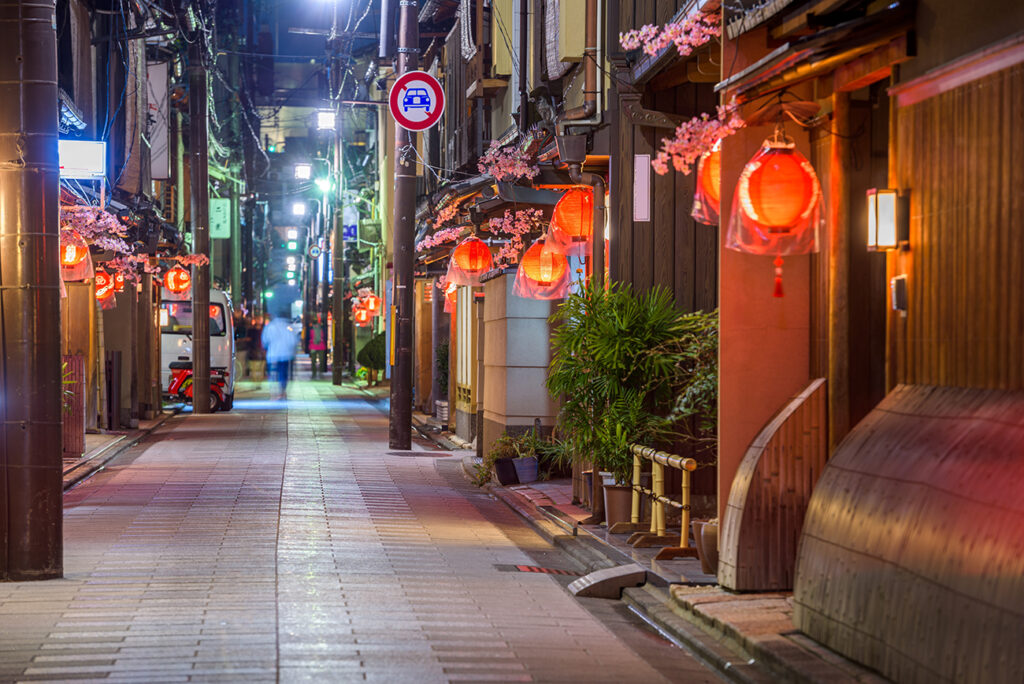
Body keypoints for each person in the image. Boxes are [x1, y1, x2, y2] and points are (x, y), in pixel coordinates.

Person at [261, 312, 298, 399]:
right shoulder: (288, 327)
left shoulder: (270, 327)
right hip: (286, 354)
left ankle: (273, 392)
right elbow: (293, 341)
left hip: (272, 354)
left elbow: (265, 340)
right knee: (283, 373)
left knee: (273, 373)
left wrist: (267, 347)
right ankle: (282, 392)